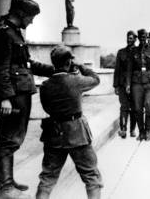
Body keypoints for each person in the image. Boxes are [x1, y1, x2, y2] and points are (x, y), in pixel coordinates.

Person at [0, 0, 54, 199]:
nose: (32, 22)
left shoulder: (15, 33)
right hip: (13, 96)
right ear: (21, 14)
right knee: (8, 139)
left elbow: (26, 64)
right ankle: (6, 187)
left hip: (21, 93)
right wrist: (5, 98)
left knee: (14, 137)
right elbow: (0, 69)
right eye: (31, 17)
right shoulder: (4, 34)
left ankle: (9, 181)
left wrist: (55, 70)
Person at [36, 45, 103, 199]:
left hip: (54, 133)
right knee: (91, 177)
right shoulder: (76, 80)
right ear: (68, 62)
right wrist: (80, 66)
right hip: (77, 133)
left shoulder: (45, 86)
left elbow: (47, 108)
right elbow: (96, 79)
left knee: (47, 178)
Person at [126, 29, 150, 141]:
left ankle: (148, 131)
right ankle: (141, 131)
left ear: (147, 37)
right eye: (140, 37)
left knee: (149, 107)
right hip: (136, 83)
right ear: (138, 38)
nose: (142, 39)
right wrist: (128, 84)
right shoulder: (133, 51)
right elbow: (129, 69)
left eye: (144, 37)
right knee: (137, 109)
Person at [113, 31, 137, 139]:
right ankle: (123, 129)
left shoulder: (138, 52)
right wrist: (116, 86)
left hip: (135, 84)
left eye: (131, 38)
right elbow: (117, 69)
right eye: (128, 38)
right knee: (124, 107)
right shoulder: (121, 52)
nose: (129, 40)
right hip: (122, 84)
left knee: (135, 108)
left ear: (135, 39)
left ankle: (132, 129)